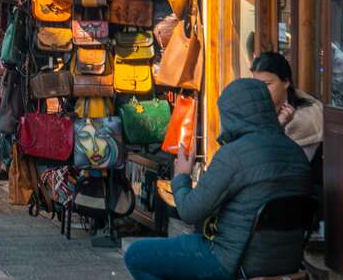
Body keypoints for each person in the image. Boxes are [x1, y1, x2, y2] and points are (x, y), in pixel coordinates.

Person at [123, 78, 313, 280]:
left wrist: (182, 176)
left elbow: (189, 211)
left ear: (230, 115)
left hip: (231, 262)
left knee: (136, 255)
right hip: (286, 262)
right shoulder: (295, 152)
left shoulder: (234, 155)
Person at [251, 51, 323, 161]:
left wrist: (278, 126)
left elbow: (278, 165)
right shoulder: (251, 109)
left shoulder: (306, 118)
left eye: (267, 84)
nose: (260, 90)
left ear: (286, 82)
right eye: (256, 85)